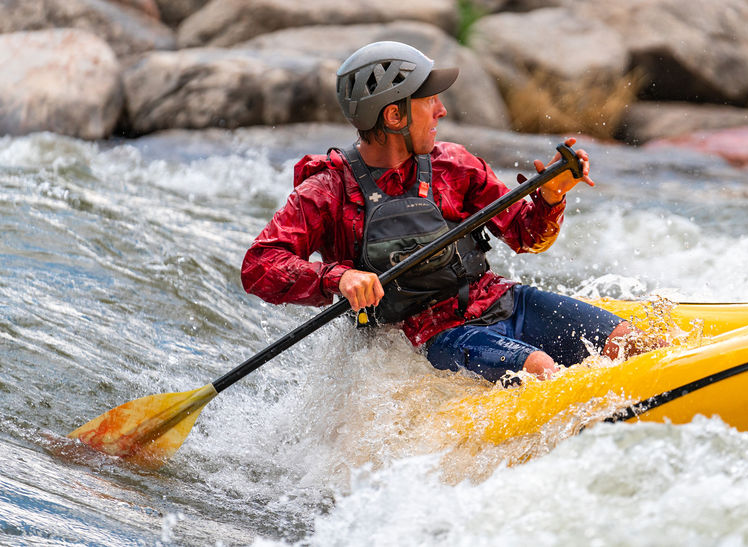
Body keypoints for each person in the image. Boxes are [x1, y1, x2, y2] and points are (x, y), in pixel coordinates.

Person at [241, 41, 652, 382]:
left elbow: (527, 238)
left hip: (505, 302)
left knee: (633, 342)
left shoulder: (453, 165)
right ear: (394, 114)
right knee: (541, 371)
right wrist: (339, 276)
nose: (442, 110)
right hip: (438, 335)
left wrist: (550, 199)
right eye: (429, 100)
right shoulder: (328, 190)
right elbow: (259, 266)